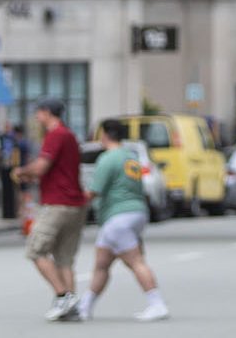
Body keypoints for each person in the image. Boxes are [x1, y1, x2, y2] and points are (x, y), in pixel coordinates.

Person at [78, 119, 170, 322]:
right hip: (136, 212)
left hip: (117, 216)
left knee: (136, 261)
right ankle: (85, 306)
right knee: (102, 263)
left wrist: (74, 200)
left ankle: (157, 303)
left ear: (104, 135)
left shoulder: (108, 158)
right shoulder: (131, 158)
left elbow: (94, 190)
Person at [12, 99, 88, 322]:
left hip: (58, 202)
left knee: (35, 249)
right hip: (76, 203)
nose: (37, 118)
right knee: (64, 258)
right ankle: (71, 306)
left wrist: (21, 172)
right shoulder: (70, 135)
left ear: (46, 113)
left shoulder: (56, 135)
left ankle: (62, 295)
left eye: (38, 114)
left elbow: (41, 166)